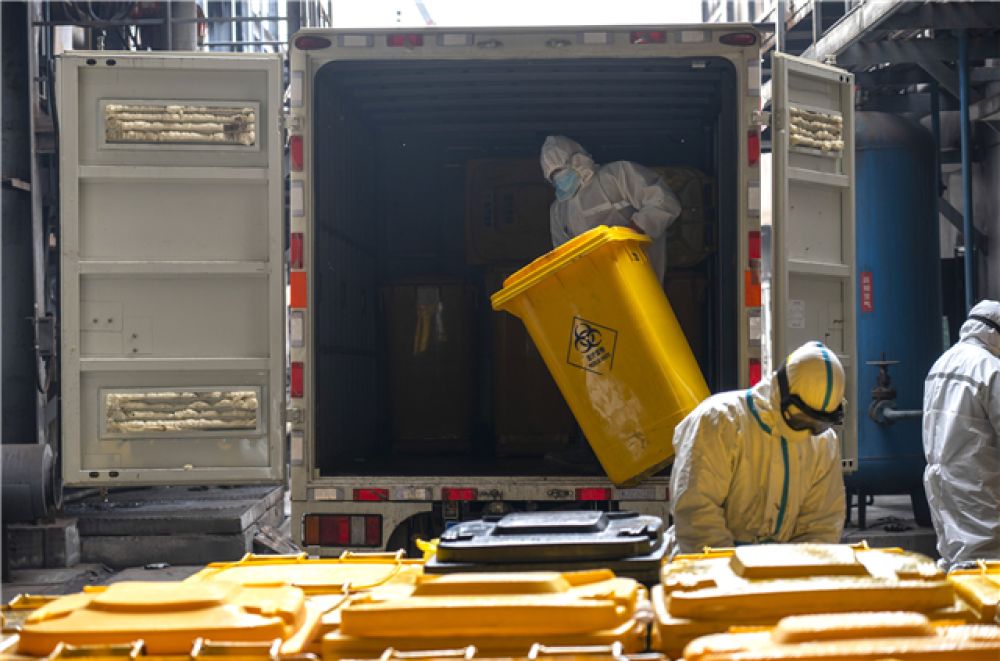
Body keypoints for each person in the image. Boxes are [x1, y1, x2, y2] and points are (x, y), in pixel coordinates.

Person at [667, 341, 847, 555]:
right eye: (800, 418)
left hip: (779, 568)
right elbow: (696, 514)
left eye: (818, 425)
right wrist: (730, 567)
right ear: (781, 390)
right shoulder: (718, 421)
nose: (808, 431)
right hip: (707, 564)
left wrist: (798, 567)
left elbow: (822, 524)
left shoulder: (823, 443)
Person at [922, 300, 1000, 570]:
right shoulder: (991, 368)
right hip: (979, 482)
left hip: (942, 480)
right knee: (986, 564)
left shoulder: (941, 363)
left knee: (954, 556)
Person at [540, 135, 681, 282]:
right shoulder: (558, 211)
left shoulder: (617, 175)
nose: (559, 179)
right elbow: (563, 258)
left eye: (560, 171)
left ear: (577, 161)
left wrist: (631, 233)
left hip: (641, 277)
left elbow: (664, 202)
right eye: (553, 176)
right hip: (599, 287)